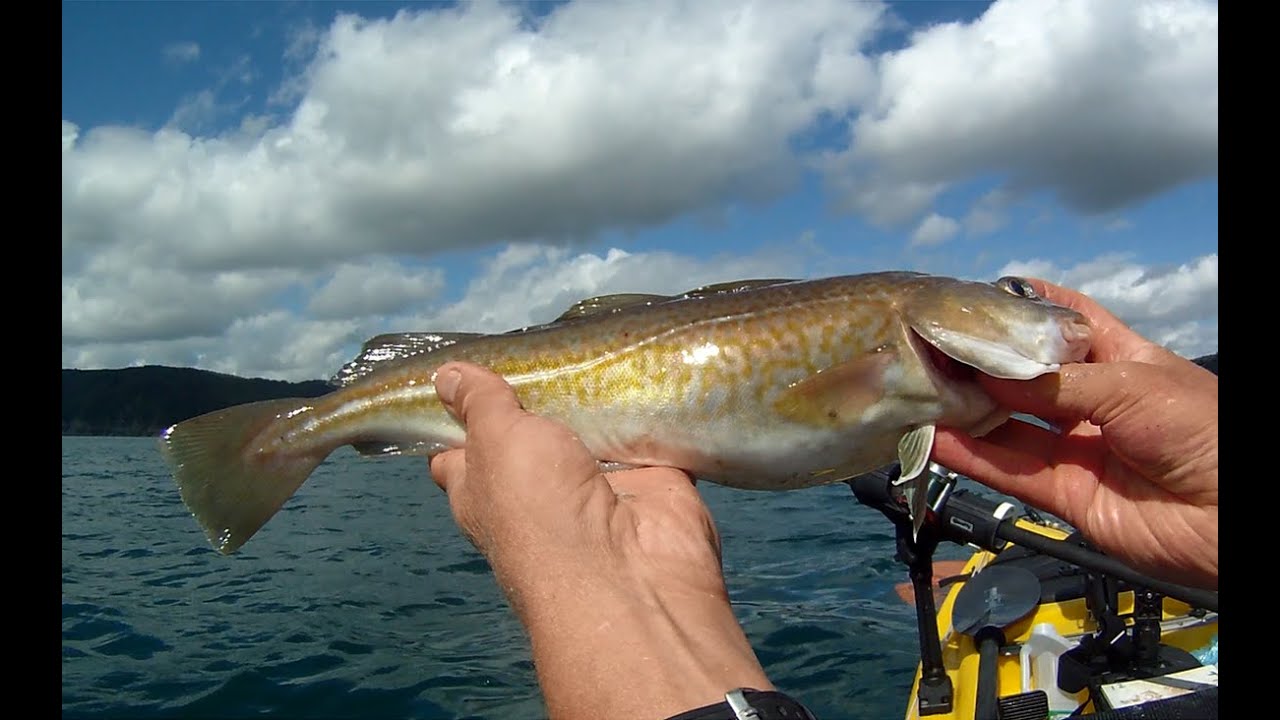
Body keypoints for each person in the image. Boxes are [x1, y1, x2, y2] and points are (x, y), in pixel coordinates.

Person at [426, 278, 1219, 720]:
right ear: (933, 311)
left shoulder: (920, 381)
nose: (1059, 320)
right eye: (1019, 301)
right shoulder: (889, 319)